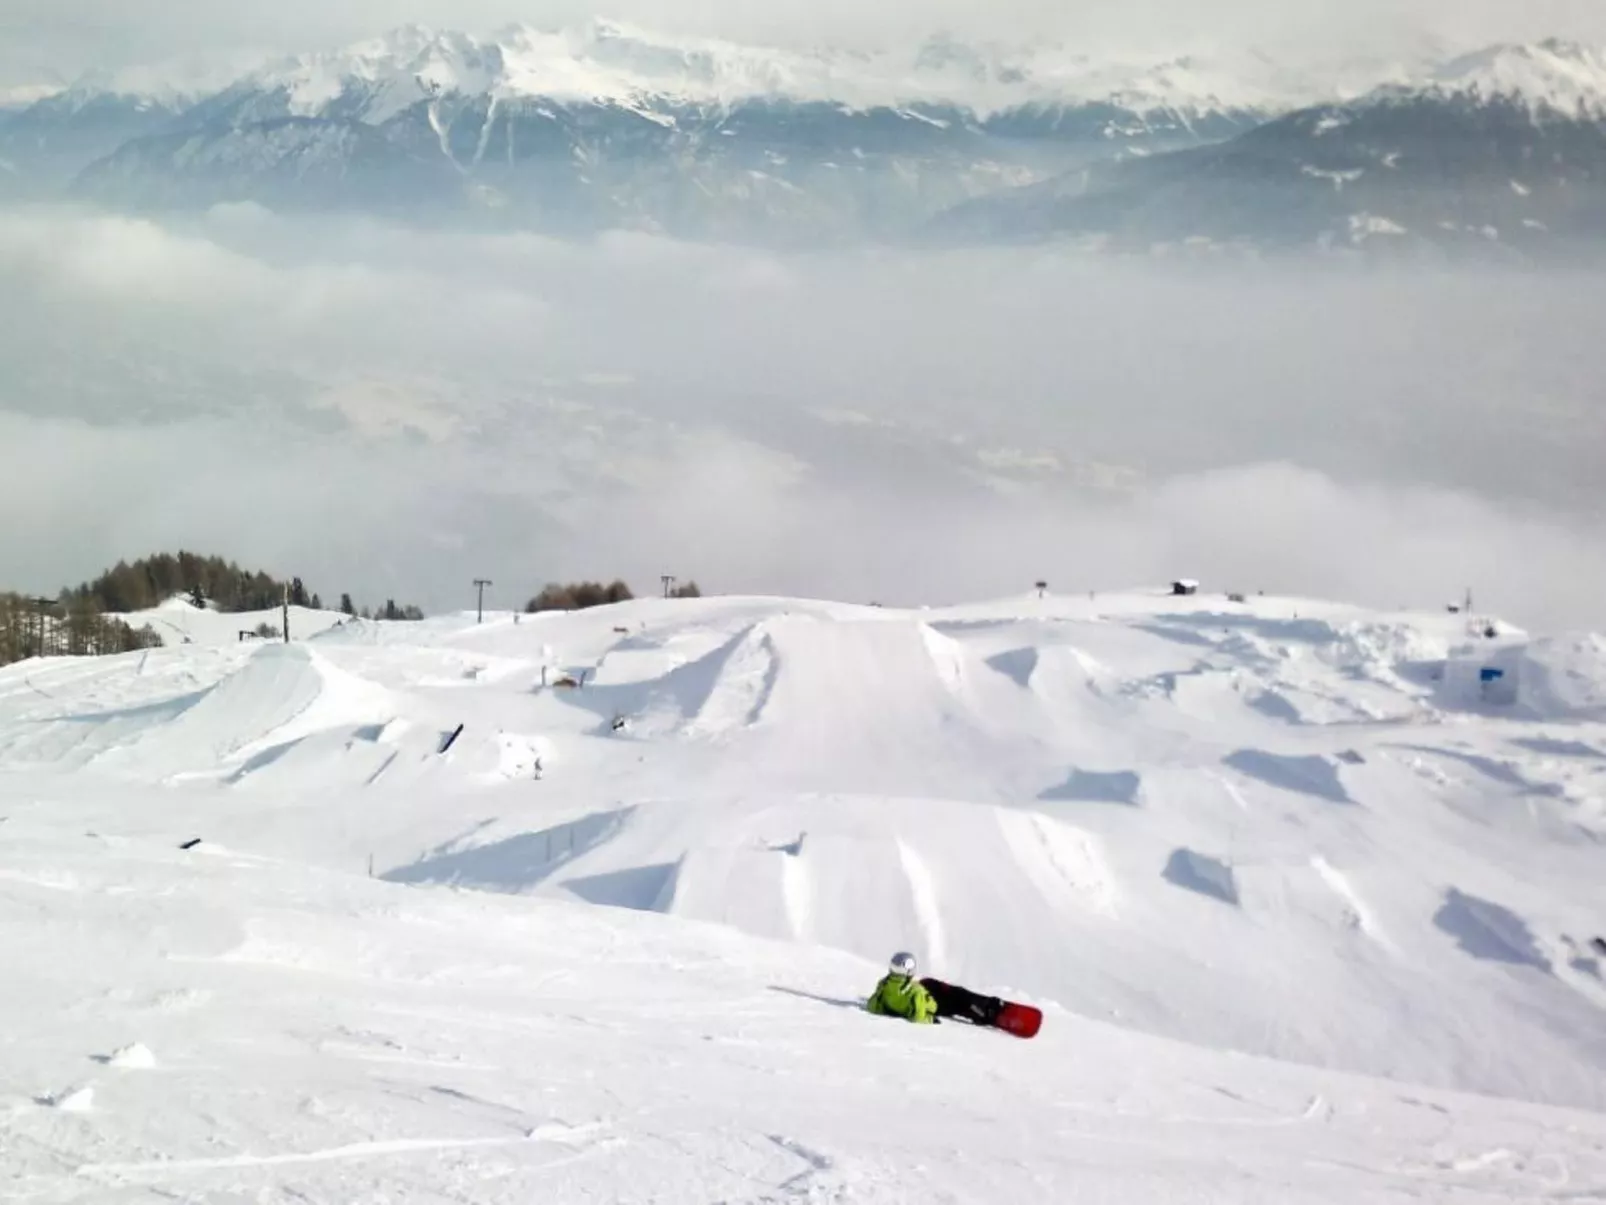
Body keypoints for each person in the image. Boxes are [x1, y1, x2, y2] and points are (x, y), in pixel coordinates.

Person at [866, 951, 1005, 1027]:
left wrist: (893, 1010)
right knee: (960, 998)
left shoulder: (884, 985)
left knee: (929, 983)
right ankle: (986, 1012)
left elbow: (873, 1005)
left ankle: (982, 1006)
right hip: (935, 1005)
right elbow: (919, 1017)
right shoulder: (916, 993)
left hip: (918, 992)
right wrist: (931, 1019)